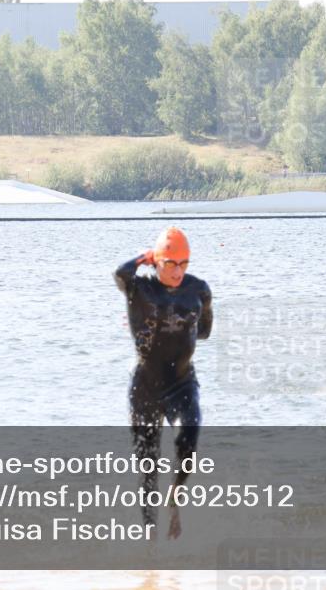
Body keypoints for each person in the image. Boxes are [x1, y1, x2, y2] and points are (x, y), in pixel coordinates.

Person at [114, 227, 212, 539]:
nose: (178, 271)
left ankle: (175, 499)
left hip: (182, 381)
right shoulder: (139, 288)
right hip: (145, 386)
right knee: (148, 463)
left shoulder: (199, 290)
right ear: (157, 262)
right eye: (171, 264)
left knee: (190, 434)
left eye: (184, 263)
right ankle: (150, 538)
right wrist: (144, 258)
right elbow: (120, 272)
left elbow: (206, 331)